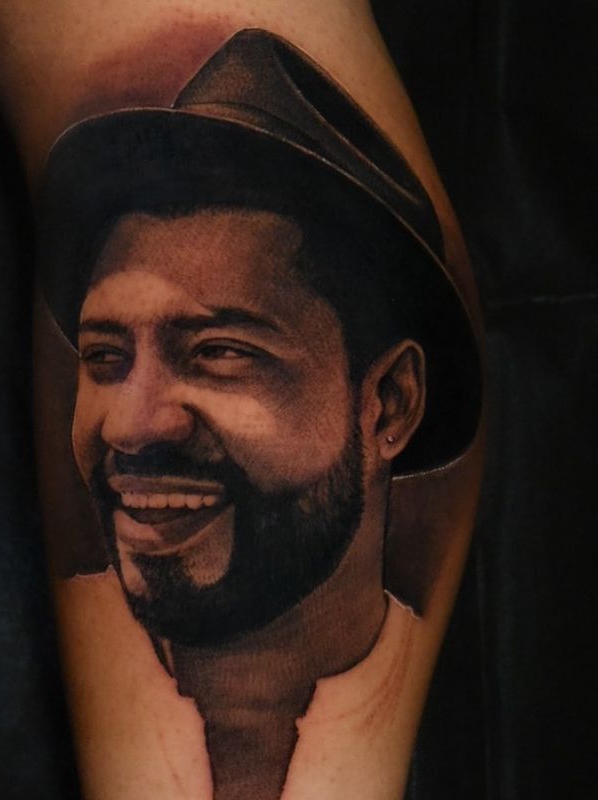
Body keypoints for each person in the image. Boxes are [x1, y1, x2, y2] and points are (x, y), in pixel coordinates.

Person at [35, 29, 481, 799]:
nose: (132, 426)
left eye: (218, 352)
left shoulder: (499, 688)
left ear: (389, 404)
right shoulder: (17, 643)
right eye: (106, 358)